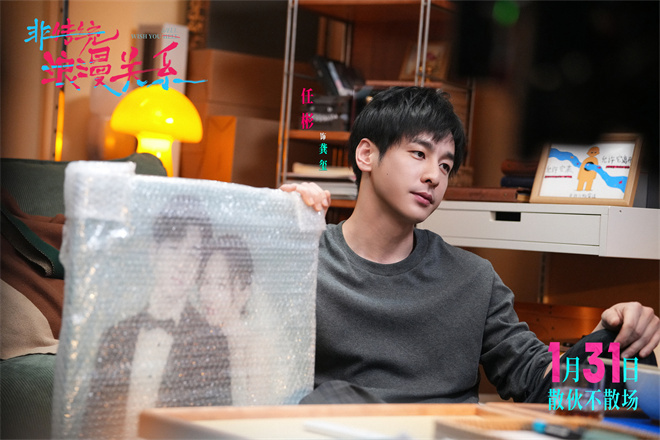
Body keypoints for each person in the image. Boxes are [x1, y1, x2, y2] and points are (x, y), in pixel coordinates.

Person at [281, 86, 660, 404]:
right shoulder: (304, 260)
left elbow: (536, 377)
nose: (434, 176)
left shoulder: (473, 279)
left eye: (445, 166)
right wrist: (267, 227)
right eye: (419, 154)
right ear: (366, 155)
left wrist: (609, 339)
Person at [82, 195, 232, 438]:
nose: (182, 264)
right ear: (154, 252)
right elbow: (92, 426)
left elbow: (215, 432)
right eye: (174, 249)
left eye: (193, 254)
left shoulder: (212, 342)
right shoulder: (116, 335)